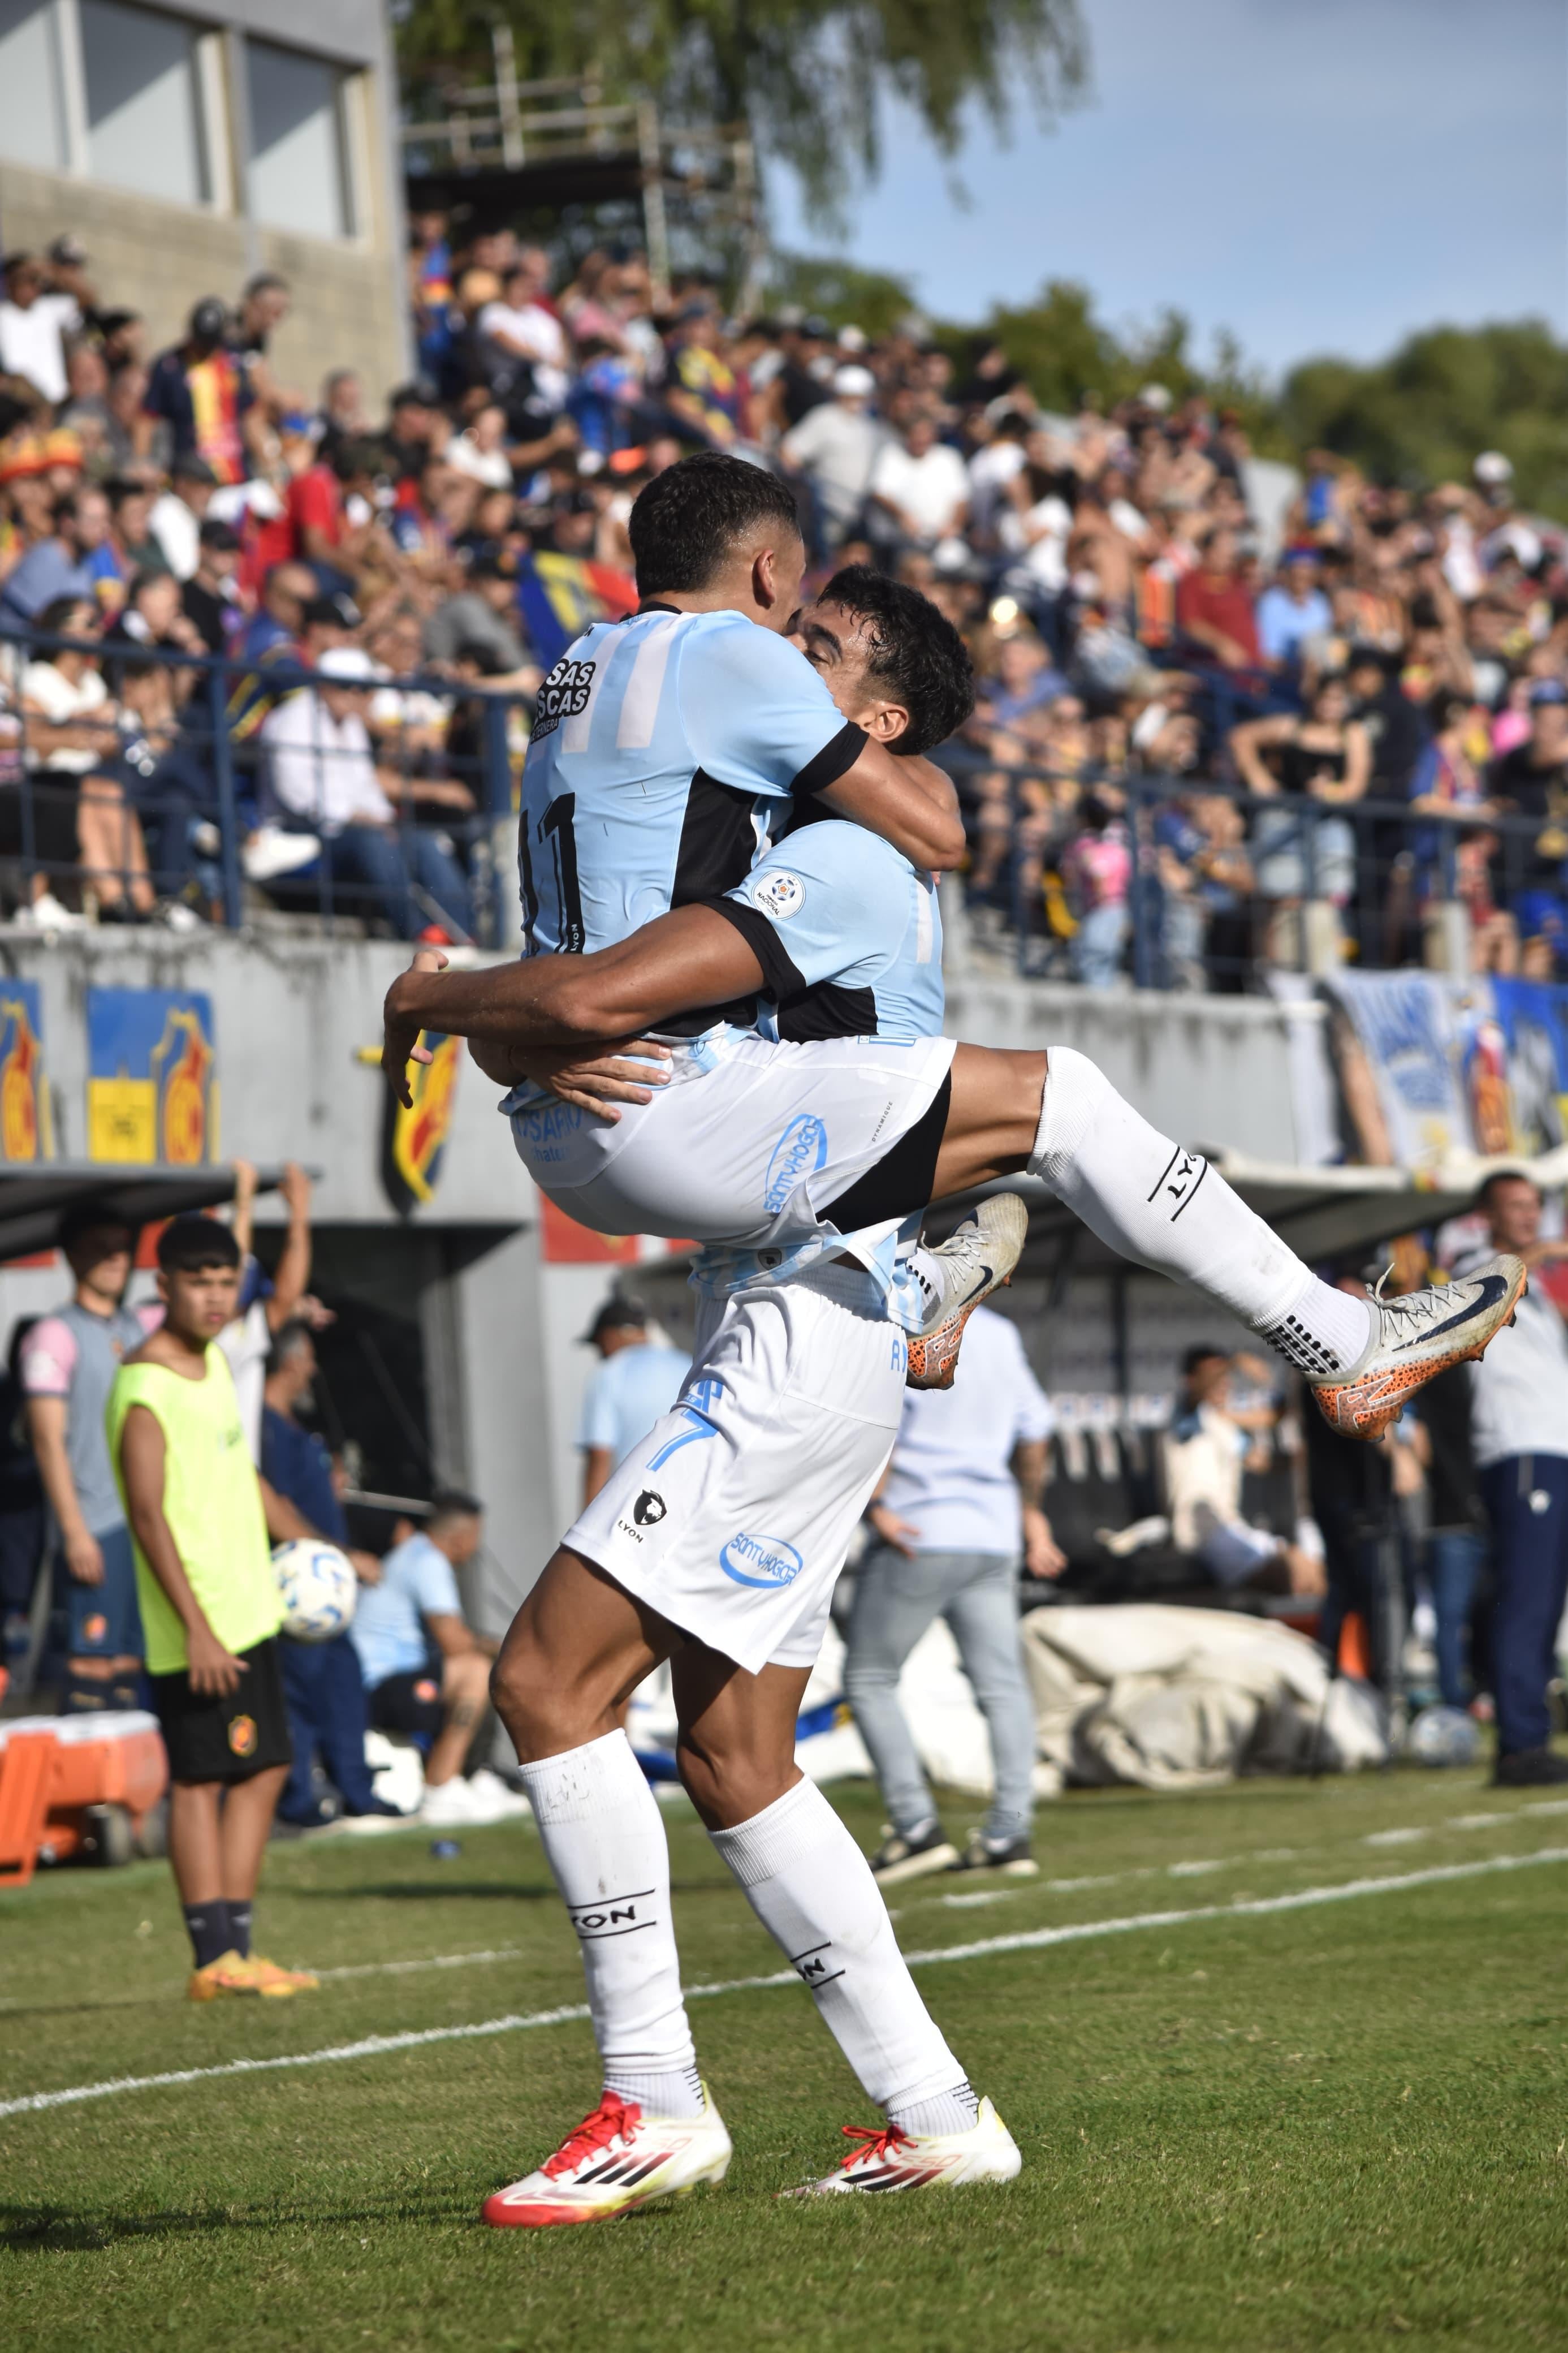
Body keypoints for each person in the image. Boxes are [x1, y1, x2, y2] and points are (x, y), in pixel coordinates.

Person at [383, 471, 1527, 2223]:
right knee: (735, 1754)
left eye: (821, 647)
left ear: (877, 713)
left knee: (544, 1686)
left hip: (803, 1312)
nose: (784, 649)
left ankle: (650, 2096)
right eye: (792, 618)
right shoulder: (757, 809)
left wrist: (457, 1004)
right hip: (795, 1276)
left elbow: (612, 1001)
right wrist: (526, 1021)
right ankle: (932, 2112)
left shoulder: (838, 847)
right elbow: (602, 1002)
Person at [107, 1215, 317, 1999]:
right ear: (163, 1287)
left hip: (250, 1607)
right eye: (199, 1281)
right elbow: (147, 1514)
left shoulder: (217, 1366)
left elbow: (246, 1479)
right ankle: (211, 1959)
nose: (215, 1296)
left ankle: (236, 1950)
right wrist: (195, 1629)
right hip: (198, 1626)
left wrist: (312, 1543)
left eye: (226, 1281)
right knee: (200, 1781)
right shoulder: (145, 1385)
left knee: (265, 1767)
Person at [846, 1303, 1061, 1884]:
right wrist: (1030, 1512)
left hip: (919, 1529)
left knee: (868, 1678)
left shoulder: (895, 1321)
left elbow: (872, 1422)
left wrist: (875, 1505)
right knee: (1002, 1686)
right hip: (991, 1531)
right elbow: (1036, 1430)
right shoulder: (1000, 1328)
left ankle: (916, 1827)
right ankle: (1009, 1831)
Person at [261, 1321, 399, 1825]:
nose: (313, 1371)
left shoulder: (293, 1430)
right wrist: (343, 1554)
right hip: (301, 1589)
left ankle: (352, 1791)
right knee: (305, 1694)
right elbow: (271, 1504)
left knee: (340, 1686)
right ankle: (304, 1801)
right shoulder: (263, 1427)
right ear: (294, 1362)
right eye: (310, 1359)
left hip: (324, 1588)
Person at [1458, 1173, 1568, 1785]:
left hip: (1552, 1446)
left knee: (1548, 1599)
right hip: (1520, 1449)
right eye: (1516, 1206)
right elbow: (1506, 1274)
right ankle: (1519, 1742)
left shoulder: (1539, 1285)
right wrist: (1546, 1251)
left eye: (1534, 1206)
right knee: (1525, 1598)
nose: (1529, 1217)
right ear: (1487, 1214)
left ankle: (1532, 1731)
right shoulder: (1478, 1265)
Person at [20, 1205, 149, 1712]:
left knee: (129, 1668)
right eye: (102, 1246)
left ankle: (121, 1792)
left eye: (123, 1246)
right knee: (91, 1669)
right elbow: (47, 1441)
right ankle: (82, 1792)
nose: (117, 1258)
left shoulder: (138, 1327)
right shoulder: (54, 1335)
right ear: (71, 1256)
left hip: (142, 1524)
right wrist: (74, 1530)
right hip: (95, 1524)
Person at [259, 645, 473, 940]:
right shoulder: (290, 722)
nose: (360, 696)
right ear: (326, 686)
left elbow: (366, 786)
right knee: (373, 843)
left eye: (363, 689)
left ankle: (465, 931)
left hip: (351, 829)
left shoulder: (349, 724)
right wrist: (359, 817)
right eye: (352, 687)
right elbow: (296, 796)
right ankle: (421, 933)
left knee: (421, 841)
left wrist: (384, 820)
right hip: (306, 835)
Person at [347, 1490, 524, 1827]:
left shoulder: (415, 1553)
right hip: (381, 1686)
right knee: (475, 1670)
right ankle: (441, 1785)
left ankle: (471, 1775)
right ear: (461, 1538)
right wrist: (510, 1646)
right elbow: (454, 1643)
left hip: (392, 1679)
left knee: (480, 1667)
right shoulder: (428, 1561)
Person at [1162, 1347, 1324, 1597]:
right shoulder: (1183, 1415)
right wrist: (1236, 1361)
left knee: (1312, 1568)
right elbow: (1202, 1392)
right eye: (1215, 1374)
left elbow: (1262, 1459)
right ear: (1189, 1381)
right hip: (1201, 1536)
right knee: (1290, 1575)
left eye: (1225, 1375)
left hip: (1233, 1528)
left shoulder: (1220, 1423)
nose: (1224, 1381)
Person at [577, 1294, 691, 1509]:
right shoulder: (688, 1364)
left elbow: (599, 1458)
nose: (599, 1354)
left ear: (609, 1337)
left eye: (598, 1345)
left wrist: (581, 1534)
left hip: (637, 1514)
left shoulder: (608, 1375)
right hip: (691, 1505)